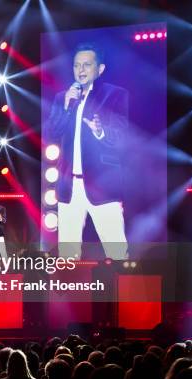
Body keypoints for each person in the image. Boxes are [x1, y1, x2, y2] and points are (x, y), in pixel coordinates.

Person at [46, 43, 128, 260]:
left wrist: (101, 131)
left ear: (99, 69)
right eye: (76, 65)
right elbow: (53, 132)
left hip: (101, 185)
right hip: (68, 186)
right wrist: (65, 106)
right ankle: (72, 292)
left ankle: (126, 292)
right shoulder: (63, 98)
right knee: (68, 256)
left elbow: (121, 137)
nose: (80, 70)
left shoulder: (115, 95)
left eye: (87, 65)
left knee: (117, 253)